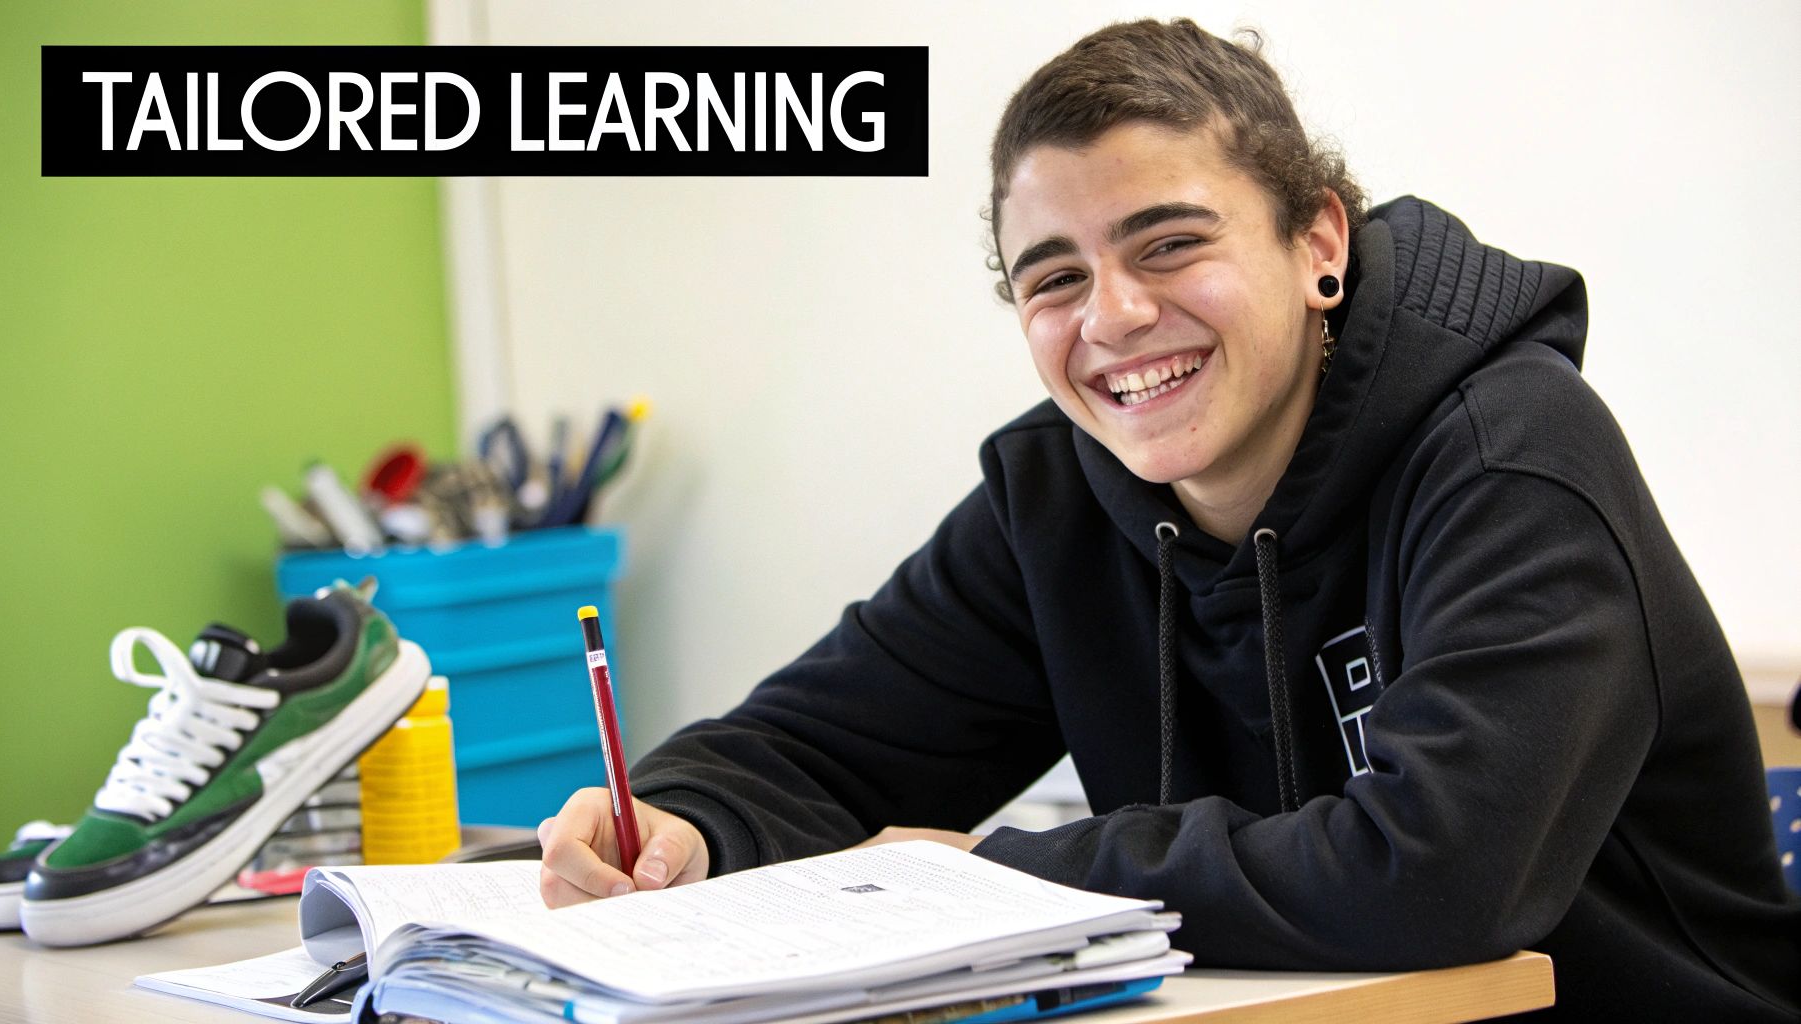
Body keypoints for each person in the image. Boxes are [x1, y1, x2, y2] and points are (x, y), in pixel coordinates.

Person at [536, 18, 1801, 1020]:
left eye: (1167, 244)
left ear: (1318, 241)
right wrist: (677, 824)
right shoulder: (1058, 500)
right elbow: (812, 749)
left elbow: (1438, 876)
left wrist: (983, 881)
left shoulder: (1508, 458)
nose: (1114, 317)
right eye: (1055, 278)